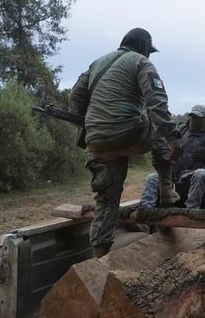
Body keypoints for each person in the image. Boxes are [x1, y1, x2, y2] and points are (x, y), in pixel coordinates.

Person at [70, 27, 181, 258]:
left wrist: (91, 122)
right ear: (143, 47)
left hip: (97, 140)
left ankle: (99, 257)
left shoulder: (97, 63)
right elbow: (156, 102)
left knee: (106, 200)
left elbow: (76, 96)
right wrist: (172, 137)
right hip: (127, 132)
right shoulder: (141, 62)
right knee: (158, 125)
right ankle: (166, 187)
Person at [140, 104, 205, 209]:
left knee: (200, 174)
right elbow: (165, 147)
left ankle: (191, 211)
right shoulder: (180, 132)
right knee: (152, 178)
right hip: (177, 176)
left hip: (202, 177)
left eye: (199, 118)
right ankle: (145, 213)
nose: (195, 120)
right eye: (193, 117)